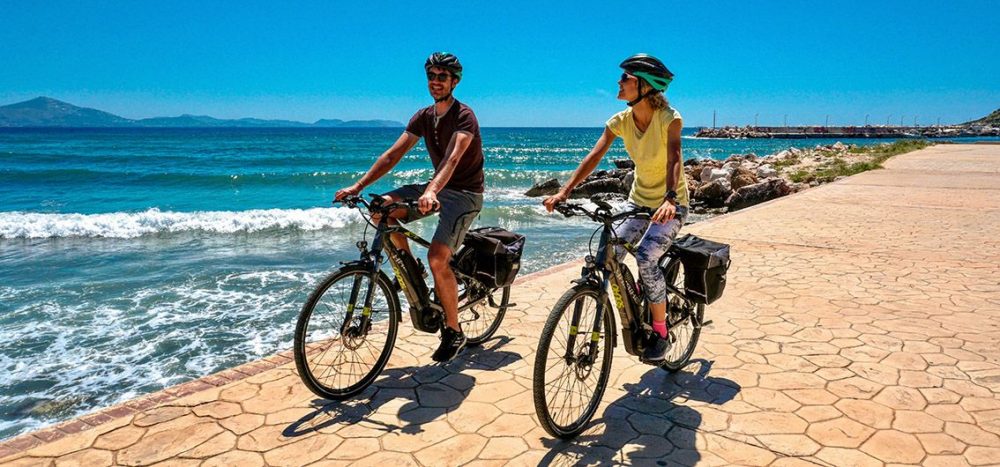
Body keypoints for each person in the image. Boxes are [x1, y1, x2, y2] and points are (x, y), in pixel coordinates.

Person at [335, 52, 485, 362]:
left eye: (442, 77)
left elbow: (452, 158)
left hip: (464, 194)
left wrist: (431, 190)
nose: (435, 81)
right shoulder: (423, 116)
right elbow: (393, 155)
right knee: (381, 209)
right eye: (431, 76)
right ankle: (410, 267)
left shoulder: (464, 116)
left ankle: (453, 330)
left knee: (438, 258)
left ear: (454, 82)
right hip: (436, 188)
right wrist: (357, 186)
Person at [543, 53, 689, 362]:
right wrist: (564, 192)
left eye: (626, 78)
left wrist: (670, 198)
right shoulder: (621, 121)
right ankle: (637, 298)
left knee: (646, 258)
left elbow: (674, 157)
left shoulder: (669, 118)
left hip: (671, 204)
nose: (619, 82)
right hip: (638, 202)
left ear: (645, 86)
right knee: (610, 252)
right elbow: (594, 157)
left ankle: (661, 332)